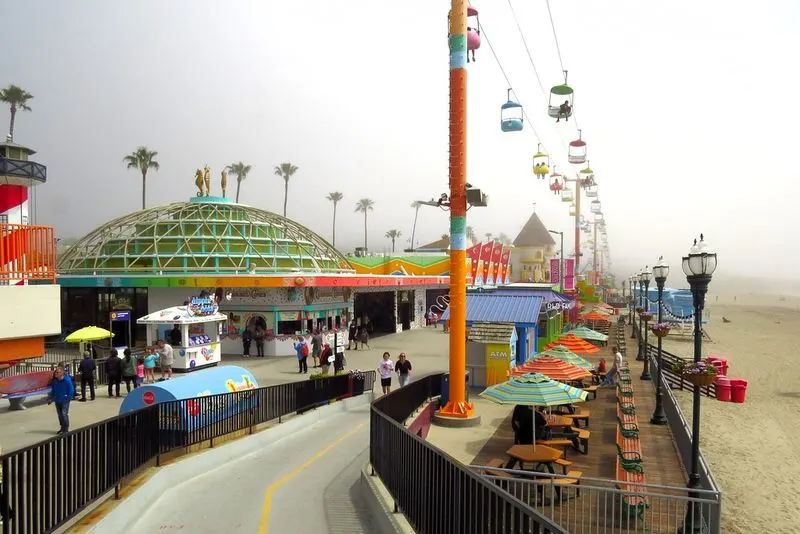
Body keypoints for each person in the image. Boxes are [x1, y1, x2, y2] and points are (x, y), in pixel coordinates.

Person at [48, 367, 75, 435]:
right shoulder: (55, 381)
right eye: (55, 372)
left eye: (57, 372)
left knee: (64, 414)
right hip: (57, 400)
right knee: (60, 415)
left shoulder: (67, 380)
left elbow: (71, 390)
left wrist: (68, 398)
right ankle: (62, 428)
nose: (55, 374)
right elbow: (53, 390)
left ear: (62, 373)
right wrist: (51, 398)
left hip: (65, 400)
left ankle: (66, 429)